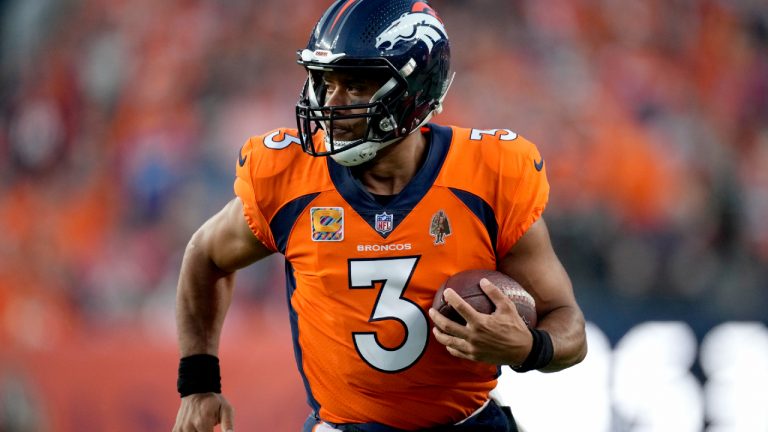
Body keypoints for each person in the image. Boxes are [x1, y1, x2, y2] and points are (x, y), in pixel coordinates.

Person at [172, 1, 588, 431]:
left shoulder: (488, 176)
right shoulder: (289, 177)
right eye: (325, 82)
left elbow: (568, 324)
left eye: (355, 86)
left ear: (416, 89)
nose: (331, 104)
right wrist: (198, 383)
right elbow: (205, 256)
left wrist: (528, 348)